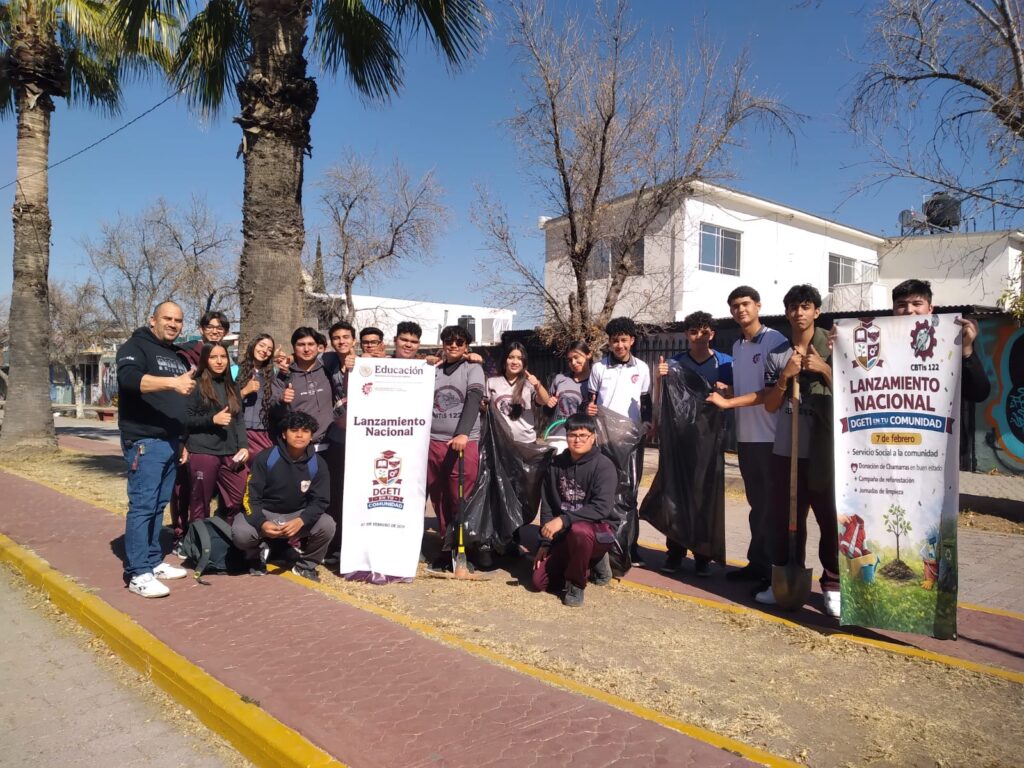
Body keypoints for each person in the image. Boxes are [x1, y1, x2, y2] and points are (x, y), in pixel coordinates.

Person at [753, 285, 840, 616]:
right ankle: (785, 576)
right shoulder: (778, 353)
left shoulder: (834, 345)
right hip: (786, 451)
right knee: (785, 520)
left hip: (824, 451)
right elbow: (770, 405)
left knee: (830, 519)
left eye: (805, 307)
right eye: (793, 307)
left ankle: (833, 583)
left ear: (817, 311)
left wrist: (825, 369)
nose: (798, 313)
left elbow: (854, 392)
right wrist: (785, 377)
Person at [707, 286, 787, 589]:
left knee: (770, 507)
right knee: (757, 505)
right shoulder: (738, 346)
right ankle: (757, 563)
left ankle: (773, 571)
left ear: (758, 306)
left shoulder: (775, 341)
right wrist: (729, 392)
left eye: (745, 304)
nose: (740, 310)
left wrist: (728, 404)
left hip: (770, 437)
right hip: (746, 437)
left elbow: (771, 392)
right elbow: (747, 389)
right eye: (735, 306)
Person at [115, 301, 193, 598]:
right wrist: (172, 383)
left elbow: (180, 400)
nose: (173, 324)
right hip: (145, 441)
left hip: (171, 442)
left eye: (178, 320)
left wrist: (181, 440)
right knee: (143, 506)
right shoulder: (135, 346)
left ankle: (152, 560)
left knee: (159, 505)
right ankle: (137, 573)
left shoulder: (175, 355)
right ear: (153, 320)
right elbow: (129, 380)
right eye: (167, 318)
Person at [656, 311, 733, 576]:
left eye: (704, 331)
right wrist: (660, 378)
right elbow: (663, 397)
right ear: (686, 334)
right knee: (675, 494)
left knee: (705, 496)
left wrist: (728, 391)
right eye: (693, 331)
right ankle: (675, 551)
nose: (699, 336)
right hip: (679, 439)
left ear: (712, 333)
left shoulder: (726, 363)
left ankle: (703, 555)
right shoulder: (675, 363)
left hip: (710, 440)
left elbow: (736, 396)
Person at [890, 279, 992, 468]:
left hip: (939, 449)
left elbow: (979, 392)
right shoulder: (880, 342)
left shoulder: (950, 341)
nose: (909, 310)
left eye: (917, 303)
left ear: (930, 309)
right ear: (893, 309)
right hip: (891, 447)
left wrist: (966, 349)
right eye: (901, 304)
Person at [232, 412, 335, 582]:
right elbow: (250, 497)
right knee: (241, 533)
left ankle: (305, 566)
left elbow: (321, 501)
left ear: (311, 436)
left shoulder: (318, 464)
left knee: (327, 525)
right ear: (284, 434)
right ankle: (256, 556)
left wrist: (302, 520)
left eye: (305, 431)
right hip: (266, 513)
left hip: (296, 516)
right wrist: (262, 523)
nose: (300, 435)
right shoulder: (266, 457)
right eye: (294, 430)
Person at [531, 413, 618, 607]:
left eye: (583, 435)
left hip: (598, 532)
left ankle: (576, 585)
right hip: (566, 534)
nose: (577, 440)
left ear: (593, 437)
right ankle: (589, 563)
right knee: (539, 582)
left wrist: (563, 520)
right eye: (572, 435)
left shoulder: (604, 466)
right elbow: (548, 506)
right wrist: (545, 543)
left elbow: (602, 508)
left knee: (580, 531)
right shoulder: (555, 465)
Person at [586, 316, 652, 567]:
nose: (619, 345)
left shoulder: (642, 368)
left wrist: (647, 423)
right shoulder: (599, 368)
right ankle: (603, 545)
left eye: (624, 340)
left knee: (629, 493)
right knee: (604, 490)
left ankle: (630, 547)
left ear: (632, 340)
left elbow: (645, 402)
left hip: (631, 440)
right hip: (604, 439)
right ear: (609, 342)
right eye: (615, 340)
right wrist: (588, 410)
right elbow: (591, 401)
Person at [426, 324, 485, 571]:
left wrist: (462, 432)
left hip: (463, 442)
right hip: (434, 440)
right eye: (449, 341)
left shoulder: (473, 368)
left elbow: (474, 398)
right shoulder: (434, 370)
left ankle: (465, 547)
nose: (453, 345)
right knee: (439, 495)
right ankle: (446, 543)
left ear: (466, 346)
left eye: (459, 342)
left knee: (460, 496)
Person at [171, 309, 231, 547]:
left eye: (220, 328)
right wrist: (182, 441)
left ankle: (209, 537)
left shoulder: (226, 358)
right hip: (188, 433)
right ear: (201, 329)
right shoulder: (186, 355)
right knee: (183, 489)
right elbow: (182, 404)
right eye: (210, 327)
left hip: (215, 439)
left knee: (205, 492)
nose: (215, 331)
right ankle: (181, 535)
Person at [184, 342, 249, 530]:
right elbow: (185, 419)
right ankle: (198, 542)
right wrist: (212, 420)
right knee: (200, 503)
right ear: (205, 360)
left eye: (223, 357)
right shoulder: (196, 384)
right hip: (203, 451)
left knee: (236, 498)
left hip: (231, 453)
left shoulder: (232, 386)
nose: (219, 361)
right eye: (213, 357)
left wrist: (243, 445)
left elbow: (239, 419)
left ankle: (223, 536)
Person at [486, 342, 551, 445]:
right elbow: (484, 409)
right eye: (511, 357)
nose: (515, 362)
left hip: (526, 442)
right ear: (504, 360)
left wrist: (537, 385)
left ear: (524, 362)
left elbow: (544, 401)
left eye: (520, 358)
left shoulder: (529, 384)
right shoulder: (492, 382)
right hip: (500, 442)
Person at [543, 341, 592, 453]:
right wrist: (549, 404)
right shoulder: (559, 379)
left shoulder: (596, 381)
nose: (573, 362)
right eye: (569, 360)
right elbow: (547, 412)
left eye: (576, 357)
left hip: (583, 437)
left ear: (588, 355)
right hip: (558, 437)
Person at [236, 333, 278, 460]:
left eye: (269, 349)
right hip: (240, 431)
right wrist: (244, 391)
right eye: (262, 345)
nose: (265, 351)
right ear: (253, 345)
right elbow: (226, 402)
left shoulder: (273, 374)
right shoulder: (234, 370)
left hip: (264, 431)